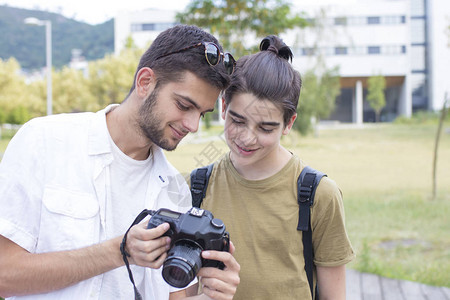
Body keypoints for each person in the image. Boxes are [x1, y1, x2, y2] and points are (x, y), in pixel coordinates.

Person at [0, 25, 240, 300]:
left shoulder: (175, 191)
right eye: (184, 105)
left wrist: (211, 295)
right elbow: (4, 274)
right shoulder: (44, 141)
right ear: (145, 82)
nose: (193, 125)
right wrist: (119, 252)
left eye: (202, 113)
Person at [190, 36, 355, 299]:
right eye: (238, 121)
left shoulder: (319, 195)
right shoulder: (196, 187)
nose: (247, 138)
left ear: (289, 124)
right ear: (223, 107)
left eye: (265, 128)